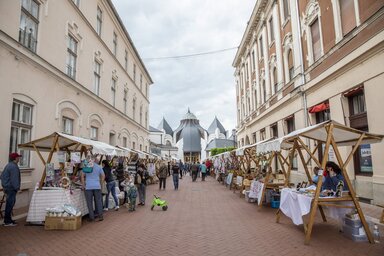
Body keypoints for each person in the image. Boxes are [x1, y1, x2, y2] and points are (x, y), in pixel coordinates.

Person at [0, 153, 22, 226]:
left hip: (7, 187)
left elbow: (2, 176)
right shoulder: (13, 167)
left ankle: (8, 219)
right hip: (11, 188)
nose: (19, 158)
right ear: (15, 158)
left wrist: (4, 186)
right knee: (10, 204)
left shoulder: (9, 165)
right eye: (18, 157)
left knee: (10, 203)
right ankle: (7, 221)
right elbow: (14, 179)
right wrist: (17, 188)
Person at [81, 156, 105, 222]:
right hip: (97, 186)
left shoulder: (86, 166)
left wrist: (83, 185)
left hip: (88, 186)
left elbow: (82, 176)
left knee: (89, 202)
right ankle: (100, 216)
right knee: (98, 201)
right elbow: (103, 176)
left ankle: (91, 217)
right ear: (94, 160)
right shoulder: (98, 167)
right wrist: (100, 183)